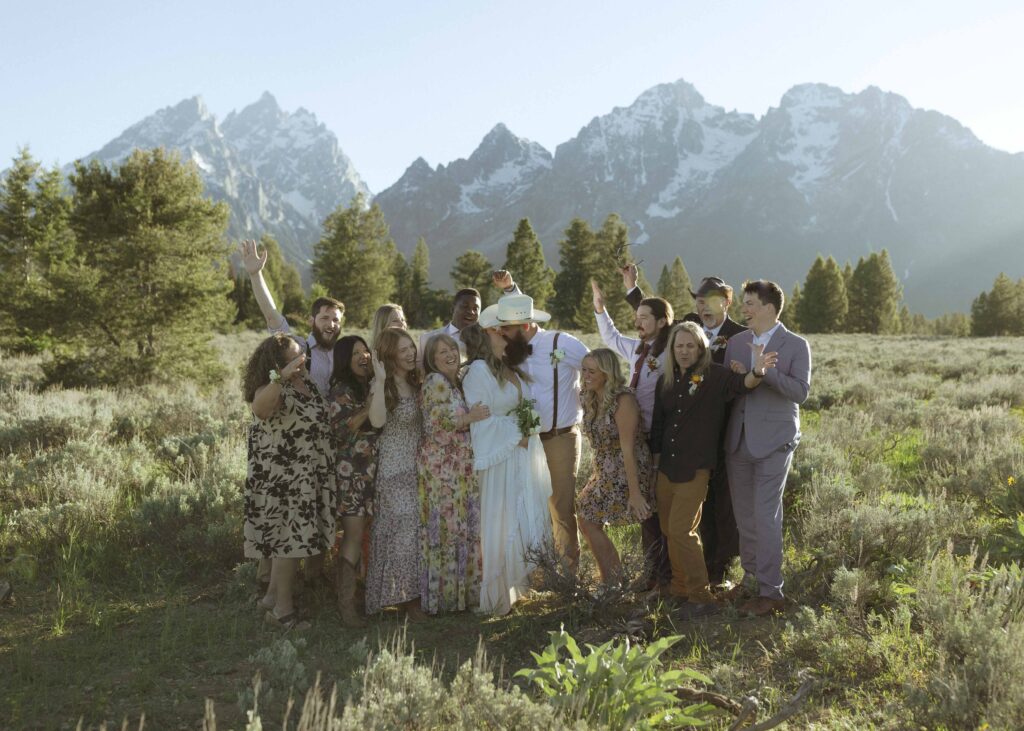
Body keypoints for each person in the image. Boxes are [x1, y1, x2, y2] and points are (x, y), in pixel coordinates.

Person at [622, 266, 748, 586]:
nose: (704, 306)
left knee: (722, 504)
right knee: (684, 511)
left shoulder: (739, 336)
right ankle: (679, 574)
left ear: (727, 303)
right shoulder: (686, 327)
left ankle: (718, 569)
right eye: (700, 300)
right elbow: (657, 317)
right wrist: (633, 290)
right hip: (685, 435)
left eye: (712, 300)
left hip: (725, 431)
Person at [650, 322, 776, 617]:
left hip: (696, 467)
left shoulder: (716, 376)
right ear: (672, 349)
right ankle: (680, 587)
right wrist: (654, 466)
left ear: (700, 348)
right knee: (669, 529)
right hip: (666, 466)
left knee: (683, 530)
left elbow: (742, 384)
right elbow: (658, 425)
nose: (683, 351)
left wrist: (757, 371)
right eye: (678, 346)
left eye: (690, 346)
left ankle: (700, 596)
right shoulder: (665, 380)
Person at [723, 280, 811, 617]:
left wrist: (764, 372)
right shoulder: (736, 342)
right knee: (745, 517)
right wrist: (739, 377)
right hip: (738, 440)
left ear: (770, 308)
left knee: (765, 514)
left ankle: (772, 592)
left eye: (749, 304)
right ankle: (750, 581)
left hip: (775, 442)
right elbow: (731, 390)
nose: (744, 310)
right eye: (743, 303)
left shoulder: (795, 345)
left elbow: (801, 392)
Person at [242, 334, 336, 630]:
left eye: (302, 355)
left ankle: (271, 598)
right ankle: (283, 612)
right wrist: (280, 379)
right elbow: (260, 409)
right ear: (277, 364)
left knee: (295, 540)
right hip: (284, 478)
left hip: (308, 476)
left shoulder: (304, 381)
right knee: (289, 543)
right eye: (295, 357)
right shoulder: (272, 387)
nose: (302, 360)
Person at [461, 316, 553, 615]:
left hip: (519, 455)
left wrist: (528, 426)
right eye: (495, 329)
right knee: (501, 521)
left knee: (520, 516)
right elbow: (481, 419)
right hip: (499, 456)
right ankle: (497, 596)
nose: (502, 332)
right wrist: (518, 431)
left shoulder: (509, 367)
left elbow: (520, 408)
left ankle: (518, 588)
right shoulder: (478, 371)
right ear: (485, 336)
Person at [497, 292, 589, 573]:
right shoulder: (508, 351)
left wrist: (590, 404)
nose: (502, 333)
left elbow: (596, 367)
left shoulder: (561, 343)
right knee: (531, 504)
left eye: (507, 328)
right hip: (526, 441)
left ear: (525, 326)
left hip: (561, 437)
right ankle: (538, 571)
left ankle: (569, 575)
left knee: (561, 507)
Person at [591, 279, 674, 592]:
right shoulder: (638, 349)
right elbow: (611, 337)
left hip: (661, 440)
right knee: (646, 512)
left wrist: (633, 288)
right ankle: (652, 573)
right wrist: (601, 309)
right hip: (639, 439)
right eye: (636, 318)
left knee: (660, 509)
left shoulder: (670, 352)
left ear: (663, 322)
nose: (638, 323)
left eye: (645, 318)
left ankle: (666, 577)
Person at [418, 334, 489, 613]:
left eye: (452, 349)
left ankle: (461, 597)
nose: (449, 354)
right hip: (443, 472)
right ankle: (446, 599)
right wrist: (471, 417)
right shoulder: (435, 381)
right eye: (441, 351)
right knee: (447, 531)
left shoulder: (454, 382)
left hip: (458, 468)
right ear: (432, 360)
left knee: (460, 529)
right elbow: (439, 424)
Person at [577, 348, 655, 583]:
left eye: (592, 371)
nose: (585, 376)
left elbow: (628, 448)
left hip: (626, 469)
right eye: (583, 370)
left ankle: (614, 581)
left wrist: (635, 494)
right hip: (605, 469)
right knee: (585, 514)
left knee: (587, 516)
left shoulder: (624, 400)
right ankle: (613, 579)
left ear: (607, 374)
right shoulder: (589, 396)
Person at [365, 328, 425, 620]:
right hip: (393, 468)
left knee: (414, 533)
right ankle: (406, 600)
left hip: (418, 467)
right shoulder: (384, 386)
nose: (410, 353)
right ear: (390, 355)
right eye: (403, 350)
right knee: (401, 533)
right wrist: (378, 380)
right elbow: (376, 421)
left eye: (411, 347)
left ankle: (411, 594)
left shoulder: (417, 382)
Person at [240, 239, 344, 397]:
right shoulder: (297, 347)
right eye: (324, 318)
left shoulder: (345, 353)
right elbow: (271, 314)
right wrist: (256, 275)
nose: (331, 324)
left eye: (336, 320)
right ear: (311, 321)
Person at [327, 335, 380, 627]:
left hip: (372, 470)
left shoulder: (368, 384)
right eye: (356, 353)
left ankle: (365, 598)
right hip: (351, 473)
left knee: (366, 535)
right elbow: (341, 430)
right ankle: (346, 607)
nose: (364, 356)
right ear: (345, 359)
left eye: (366, 351)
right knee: (353, 534)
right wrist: (368, 406)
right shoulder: (341, 390)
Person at [417, 270, 520, 366]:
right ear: (453, 309)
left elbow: (521, 315)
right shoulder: (427, 340)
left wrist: (509, 288)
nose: (471, 312)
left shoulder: (490, 340)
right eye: (465, 306)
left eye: (476, 309)